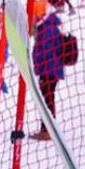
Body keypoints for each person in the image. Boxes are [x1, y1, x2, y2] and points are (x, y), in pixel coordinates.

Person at [31, 8, 65, 139]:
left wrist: (35, 62)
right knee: (47, 99)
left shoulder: (46, 29)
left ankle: (48, 130)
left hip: (49, 70)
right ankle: (48, 129)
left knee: (47, 100)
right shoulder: (49, 27)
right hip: (51, 70)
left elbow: (44, 51)